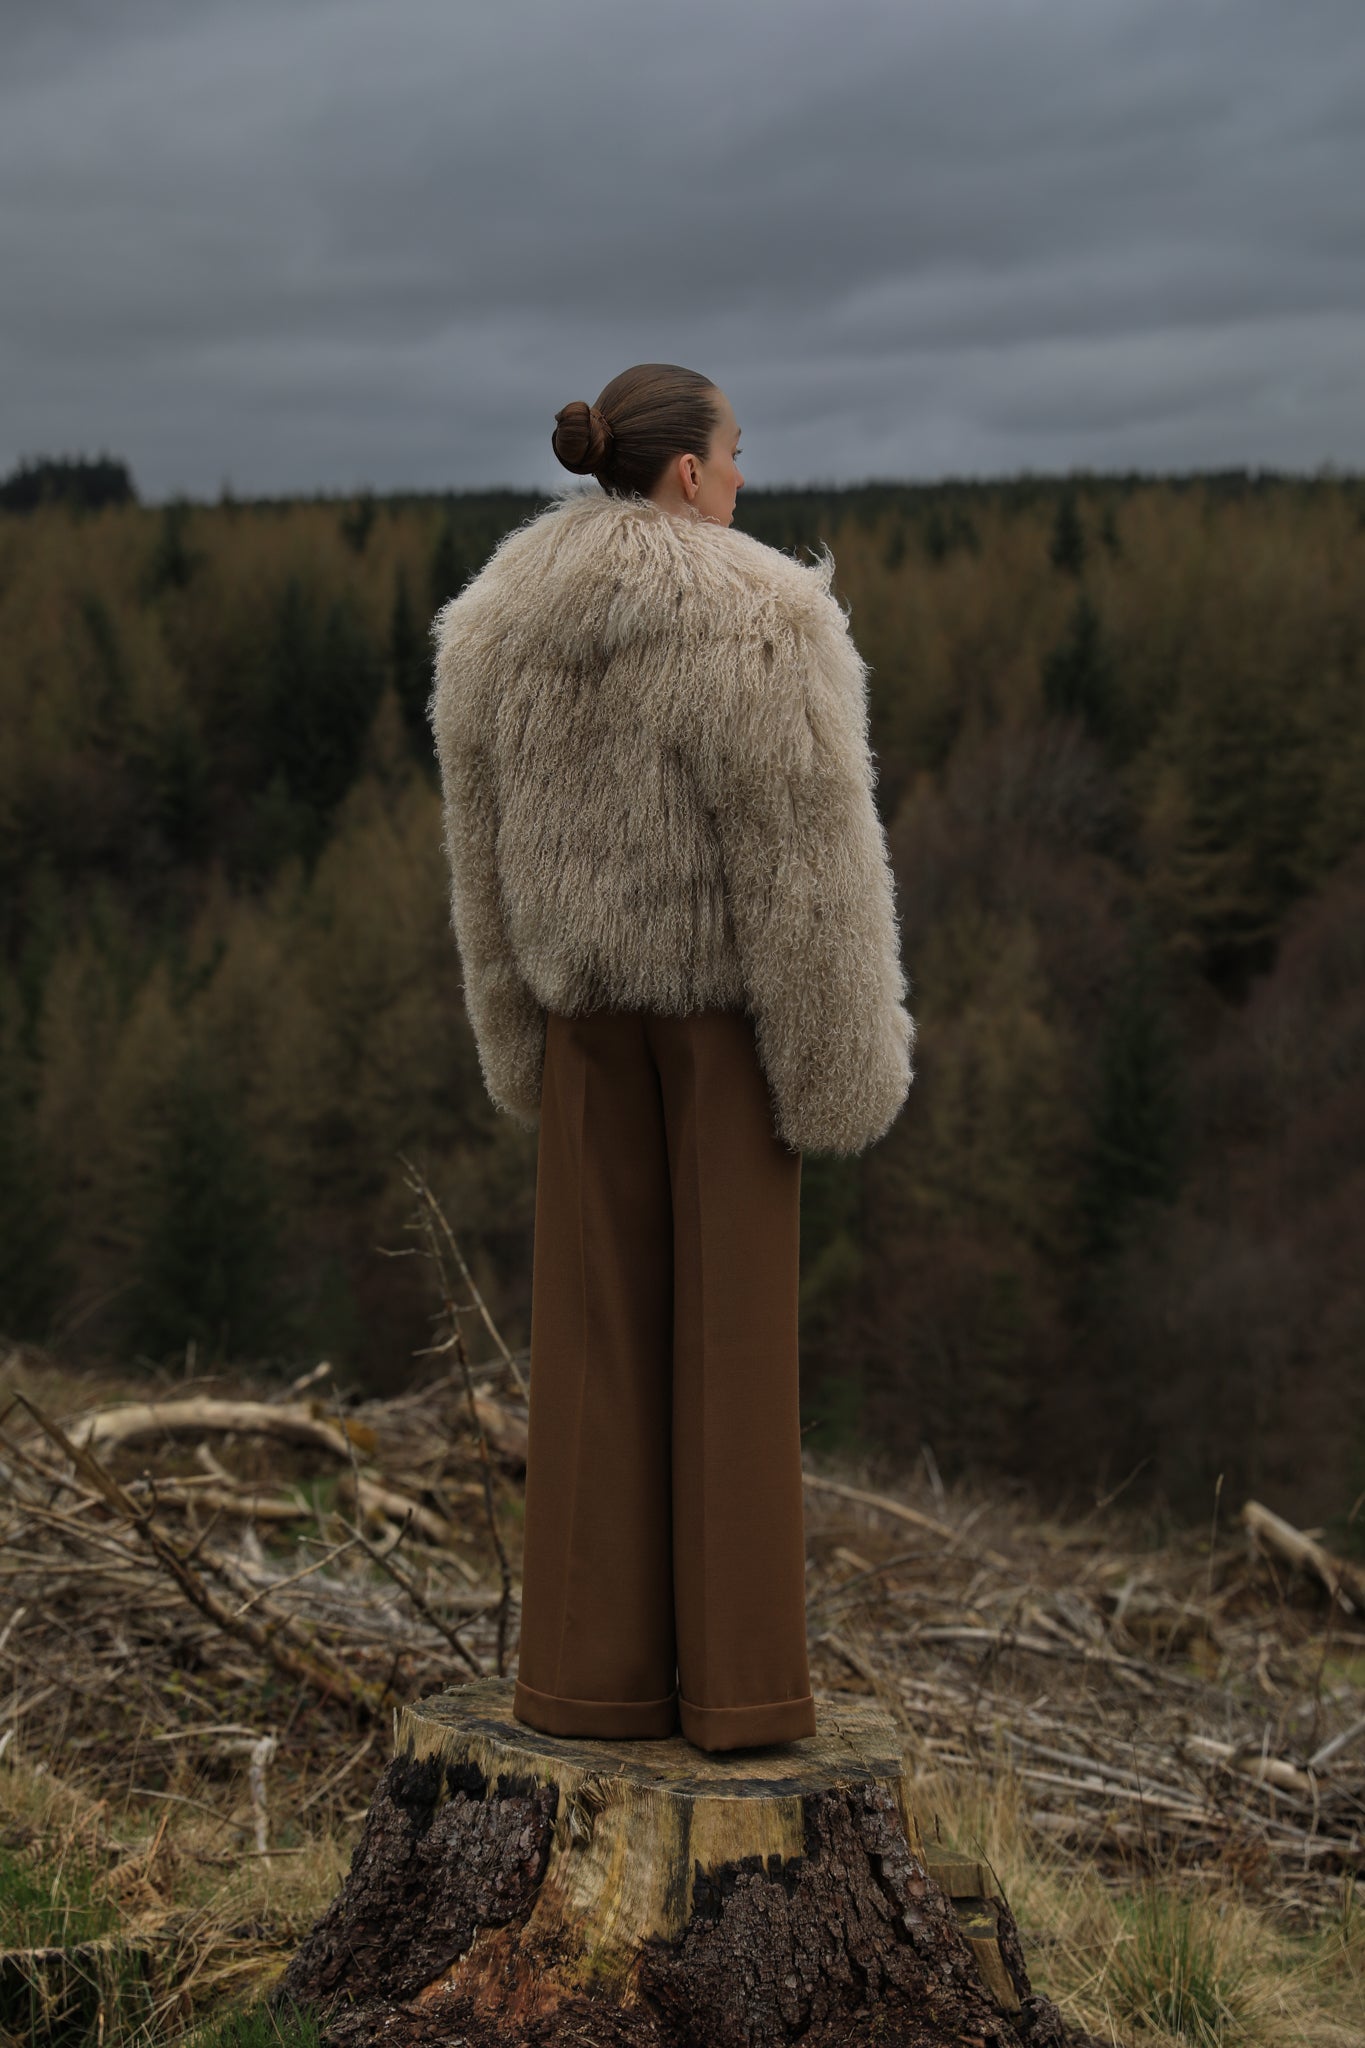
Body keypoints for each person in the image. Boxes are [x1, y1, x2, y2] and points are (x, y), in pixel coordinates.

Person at [427, 362, 914, 1754]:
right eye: (736, 453)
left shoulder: (494, 624)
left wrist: (512, 1034)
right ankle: (743, 1699)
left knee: (590, 1361)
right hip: (717, 1040)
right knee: (734, 1358)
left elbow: (479, 862)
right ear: (688, 473)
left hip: (583, 1029)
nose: (745, 478)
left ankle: (585, 1683)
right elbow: (810, 868)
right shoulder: (763, 616)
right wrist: (838, 1068)